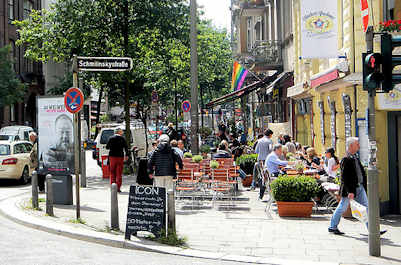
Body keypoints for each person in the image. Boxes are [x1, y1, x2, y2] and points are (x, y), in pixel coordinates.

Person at [328, 137, 387, 235]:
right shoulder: (346, 159)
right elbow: (345, 178)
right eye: (357, 144)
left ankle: (373, 230)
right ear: (351, 146)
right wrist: (350, 191)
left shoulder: (355, 157)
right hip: (351, 189)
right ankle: (332, 226)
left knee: (367, 208)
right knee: (342, 207)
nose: (359, 146)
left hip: (359, 188)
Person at [106, 128, 129, 192]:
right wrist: (127, 155)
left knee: (112, 172)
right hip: (120, 157)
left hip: (112, 157)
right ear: (119, 132)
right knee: (119, 173)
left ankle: (112, 186)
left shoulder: (111, 138)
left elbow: (107, 147)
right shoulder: (122, 139)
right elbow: (126, 148)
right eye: (121, 132)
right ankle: (118, 188)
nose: (122, 133)